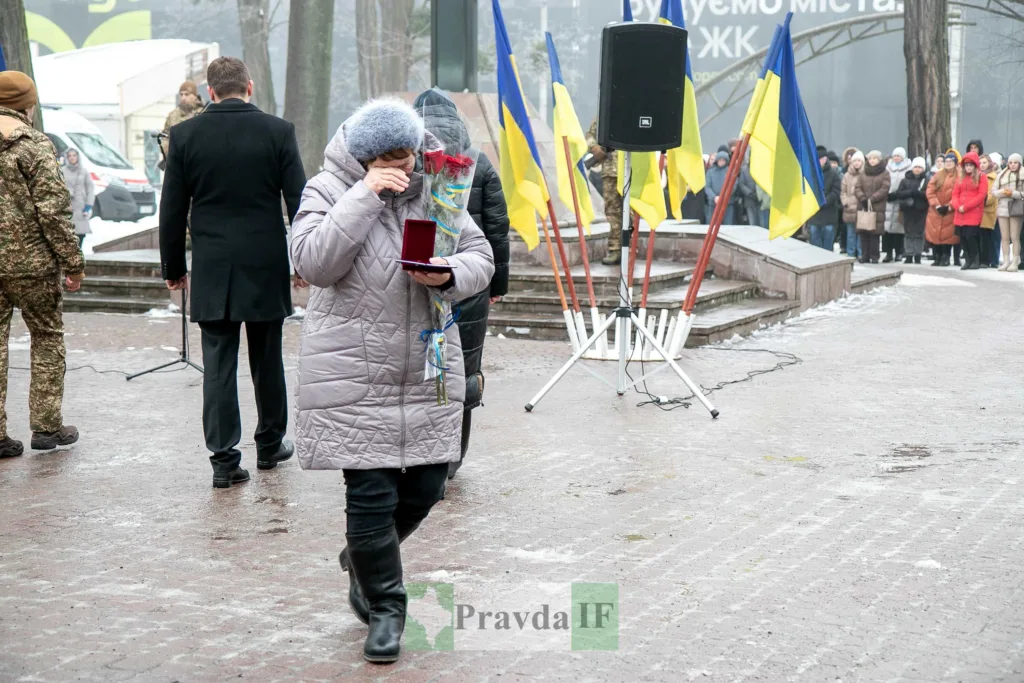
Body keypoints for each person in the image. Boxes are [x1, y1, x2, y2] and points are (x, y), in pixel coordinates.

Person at [289, 97, 494, 664]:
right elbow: (313, 265)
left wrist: (448, 273)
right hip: (355, 368)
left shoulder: (438, 187)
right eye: (388, 160)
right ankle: (386, 607)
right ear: (363, 158)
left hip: (425, 365)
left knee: (429, 485)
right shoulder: (327, 189)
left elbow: (481, 254)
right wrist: (365, 195)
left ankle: (362, 557)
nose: (402, 168)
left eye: (407, 156)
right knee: (372, 495)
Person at [159, 56, 307, 489]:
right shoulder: (279, 132)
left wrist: (174, 266)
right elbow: (299, 202)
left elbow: (172, 209)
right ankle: (269, 444)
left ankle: (224, 460)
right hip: (264, 262)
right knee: (267, 359)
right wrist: (303, 261)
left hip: (213, 266)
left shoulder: (184, 136)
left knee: (218, 364)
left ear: (210, 92)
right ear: (250, 86)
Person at [411, 87, 510, 480]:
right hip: (470, 285)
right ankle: (452, 459)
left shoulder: (410, 162)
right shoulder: (480, 164)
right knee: (463, 369)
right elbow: (498, 234)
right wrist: (497, 284)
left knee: (420, 367)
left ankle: (419, 455)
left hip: (418, 280)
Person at [0, 70, 84, 457]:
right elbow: (53, 211)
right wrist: (72, 262)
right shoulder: (33, 145)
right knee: (47, 339)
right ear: (25, 105)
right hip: (33, 264)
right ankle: (47, 428)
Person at [586, 118, 621, 265]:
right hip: (611, 170)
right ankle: (615, 249)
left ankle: (631, 249)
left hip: (632, 170)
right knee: (612, 212)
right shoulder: (605, 112)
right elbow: (589, 135)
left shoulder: (636, 109)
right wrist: (594, 148)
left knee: (631, 212)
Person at [951, 151, 989, 270]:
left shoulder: (981, 177)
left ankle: (974, 260)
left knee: (971, 237)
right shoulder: (960, 177)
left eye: (970, 165)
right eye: (966, 165)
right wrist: (957, 206)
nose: (968, 167)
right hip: (960, 212)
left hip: (972, 212)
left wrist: (966, 207)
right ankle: (967, 260)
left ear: (975, 166)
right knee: (962, 238)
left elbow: (981, 195)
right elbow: (955, 194)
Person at [889, 157, 930, 264]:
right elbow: (899, 193)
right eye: (915, 167)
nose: (917, 169)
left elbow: (928, 194)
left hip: (921, 211)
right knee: (908, 233)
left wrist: (919, 194)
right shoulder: (905, 180)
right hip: (908, 209)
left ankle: (917, 254)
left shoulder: (926, 180)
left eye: (920, 167)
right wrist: (909, 193)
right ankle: (908, 254)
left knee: (919, 233)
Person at [855, 150, 890, 263]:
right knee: (863, 232)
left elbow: (885, 188)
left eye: (874, 158)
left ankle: (874, 256)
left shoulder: (885, 173)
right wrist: (863, 198)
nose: (872, 160)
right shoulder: (863, 173)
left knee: (874, 233)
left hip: (877, 206)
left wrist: (872, 198)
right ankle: (864, 255)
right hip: (863, 206)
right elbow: (857, 187)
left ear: (879, 160)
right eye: (870, 158)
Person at [925, 152, 960, 266]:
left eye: (951, 161)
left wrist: (950, 206)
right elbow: (930, 191)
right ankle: (937, 256)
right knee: (935, 233)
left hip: (951, 210)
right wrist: (937, 205)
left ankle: (946, 256)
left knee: (948, 235)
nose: (948, 164)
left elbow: (959, 193)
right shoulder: (938, 175)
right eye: (947, 161)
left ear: (955, 163)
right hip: (936, 210)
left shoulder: (959, 175)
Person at [992, 152, 1023, 271]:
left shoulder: (1023, 174)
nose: (1013, 165)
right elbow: (993, 191)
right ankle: (1006, 261)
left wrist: (1013, 193)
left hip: (1016, 208)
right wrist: (1002, 192)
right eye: (1010, 162)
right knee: (1004, 237)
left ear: (1019, 163)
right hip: (1002, 207)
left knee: (1014, 236)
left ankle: (1015, 261)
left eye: (1015, 162)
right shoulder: (1001, 175)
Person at [59, 148, 94, 248]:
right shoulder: (62, 171)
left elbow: (90, 189)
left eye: (74, 155)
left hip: (81, 206)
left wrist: (88, 205)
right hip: (67, 206)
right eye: (69, 156)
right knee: (68, 235)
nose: (72, 158)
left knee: (80, 234)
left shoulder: (84, 171)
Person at [808, 145, 840, 251]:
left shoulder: (833, 174)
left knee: (827, 247)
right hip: (814, 215)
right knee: (815, 246)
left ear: (825, 159)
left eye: (819, 159)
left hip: (828, 216)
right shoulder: (810, 173)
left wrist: (824, 201)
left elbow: (836, 192)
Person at [160, 81, 203, 159]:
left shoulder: (203, 113)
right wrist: (169, 152)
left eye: (187, 94)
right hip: (176, 161)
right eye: (181, 94)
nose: (183, 98)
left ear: (195, 96)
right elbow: (165, 136)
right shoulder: (172, 116)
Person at [883, 147, 911, 262]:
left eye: (899, 156)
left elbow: (908, 184)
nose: (896, 158)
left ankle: (899, 252)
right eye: (895, 155)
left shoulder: (908, 169)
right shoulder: (888, 168)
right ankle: (888, 253)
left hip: (900, 200)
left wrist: (898, 194)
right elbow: (883, 182)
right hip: (888, 201)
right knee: (887, 228)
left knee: (899, 229)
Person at [840, 149, 864, 259]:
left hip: (861, 208)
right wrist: (846, 202)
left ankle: (860, 253)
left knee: (861, 234)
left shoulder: (865, 174)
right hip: (849, 209)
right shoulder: (846, 175)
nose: (857, 163)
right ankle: (850, 254)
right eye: (855, 161)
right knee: (850, 234)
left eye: (859, 161)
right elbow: (843, 191)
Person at [979, 154, 999, 267]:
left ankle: (989, 260)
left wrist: (982, 202)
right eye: (980, 163)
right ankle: (982, 259)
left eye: (984, 163)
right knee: (980, 236)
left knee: (989, 237)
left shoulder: (993, 177)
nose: (982, 165)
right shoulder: (976, 176)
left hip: (988, 209)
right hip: (977, 210)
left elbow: (992, 194)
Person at [705, 150, 734, 225]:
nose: (721, 162)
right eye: (720, 160)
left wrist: (723, 197)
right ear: (717, 161)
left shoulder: (730, 172)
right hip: (713, 204)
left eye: (723, 160)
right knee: (712, 225)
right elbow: (707, 187)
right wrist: (714, 197)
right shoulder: (710, 172)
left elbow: (733, 186)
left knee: (728, 226)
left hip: (727, 203)